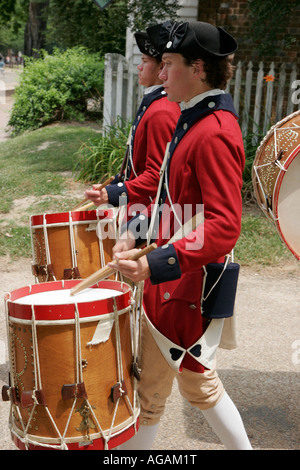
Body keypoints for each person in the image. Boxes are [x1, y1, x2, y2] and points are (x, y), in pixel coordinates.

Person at [109, 21, 253, 450]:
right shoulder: (191, 118)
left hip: (190, 282)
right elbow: (162, 193)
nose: (161, 72)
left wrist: (154, 263)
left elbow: (225, 224)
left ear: (198, 68)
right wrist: (133, 235)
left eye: (168, 63)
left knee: (197, 387)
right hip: (171, 280)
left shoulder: (214, 131)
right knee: (150, 387)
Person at [84, 32, 180, 221]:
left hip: (149, 214)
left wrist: (112, 194)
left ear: (161, 67)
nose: (139, 66)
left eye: (145, 61)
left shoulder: (162, 111)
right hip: (139, 206)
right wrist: (114, 184)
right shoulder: (155, 104)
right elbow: (136, 167)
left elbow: (156, 176)